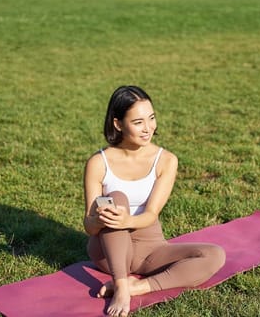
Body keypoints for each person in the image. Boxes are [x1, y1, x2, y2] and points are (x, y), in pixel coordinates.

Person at [82, 86, 226, 317]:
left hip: (151, 248)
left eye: (151, 118)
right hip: (108, 251)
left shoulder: (166, 160)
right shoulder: (99, 163)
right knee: (116, 198)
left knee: (214, 254)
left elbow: (151, 214)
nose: (148, 128)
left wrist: (128, 219)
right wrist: (100, 219)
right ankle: (120, 285)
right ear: (118, 124)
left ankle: (136, 287)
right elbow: (89, 227)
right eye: (138, 122)